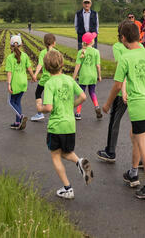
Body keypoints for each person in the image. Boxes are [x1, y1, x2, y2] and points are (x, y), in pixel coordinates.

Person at [107, 21, 145, 200]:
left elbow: (117, 86)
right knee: (135, 135)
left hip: (139, 104)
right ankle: (133, 173)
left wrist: (107, 104)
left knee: (143, 141)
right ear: (139, 35)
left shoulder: (125, 57)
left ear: (123, 38)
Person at [35, 50, 93, 199]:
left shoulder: (49, 83)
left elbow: (48, 108)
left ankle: (68, 188)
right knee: (65, 151)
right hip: (70, 125)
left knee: (55, 155)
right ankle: (79, 161)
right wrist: (71, 105)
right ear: (62, 64)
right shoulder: (69, 80)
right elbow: (83, 96)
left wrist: (39, 106)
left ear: (47, 68)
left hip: (56, 125)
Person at [98, 21, 131, 163]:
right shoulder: (140, 47)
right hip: (138, 91)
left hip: (123, 90)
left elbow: (121, 69)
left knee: (114, 121)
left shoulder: (118, 47)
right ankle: (141, 158)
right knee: (138, 126)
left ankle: (110, 151)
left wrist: (107, 103)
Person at [6, 34, 36, 130]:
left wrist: (9, 84)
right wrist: (33, 77)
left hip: (15, 83)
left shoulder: (10, 58)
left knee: (11, 102)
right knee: (17, 101)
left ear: (11, 45)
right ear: (21, 44)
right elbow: (29, 68)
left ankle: (21, 116)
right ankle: (17, 122)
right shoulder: (25, 56)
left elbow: (9, 73)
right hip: (23, 82)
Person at [73, 32, 102, 120]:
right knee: (92, 92)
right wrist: (99, 75)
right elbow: (98, 65)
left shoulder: (81, 52)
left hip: (84, 76)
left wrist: (73, 77)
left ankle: (78, 113)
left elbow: (78, 65)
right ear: (92, 41)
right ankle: (96, 106)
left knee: (81, 94)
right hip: (93, 75)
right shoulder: (96, 52)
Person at [30, 33, 58, 121]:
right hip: (55, 78)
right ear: (54, 43)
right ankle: (57, 113)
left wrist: (34, 75)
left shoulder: (43, 52)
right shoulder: (56, 52)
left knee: (38, 93)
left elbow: (40, 65)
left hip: (45, 79)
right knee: (54, 95)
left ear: (45, 43)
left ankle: (39, 113)